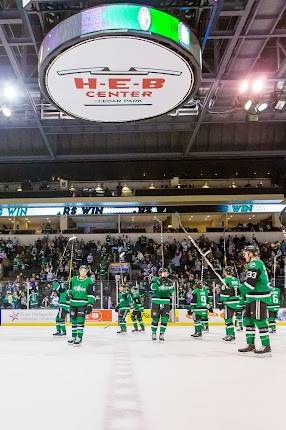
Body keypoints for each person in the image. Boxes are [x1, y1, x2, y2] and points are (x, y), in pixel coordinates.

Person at [238, 245, 272, 356]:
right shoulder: (252, 264)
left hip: (258, 297)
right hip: (251, 297)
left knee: (259, 320)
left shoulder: (255, 264)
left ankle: (266, 346)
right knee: (248, 320)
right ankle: (250, 344)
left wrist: (235, 290)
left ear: (251, 253)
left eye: (246, 252)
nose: (244, 254)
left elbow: (250, 285)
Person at [67, 265, 95, 346]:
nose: (83, 272)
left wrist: (90, 304)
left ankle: (79, 337)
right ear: (79, 271)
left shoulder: (89, 281)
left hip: (82, 303)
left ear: (87, 272)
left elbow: (91, 293)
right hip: (73, 303)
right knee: (74, 321)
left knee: (80, 320)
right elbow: (70, 290)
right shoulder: (73, 279)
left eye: (85, 271)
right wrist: (68, 294)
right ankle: (73, 336)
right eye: (82, 270)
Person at [150, 268, 175, 342]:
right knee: (155, 319)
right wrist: (158, 282)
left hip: (165, 302)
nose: (165, 273)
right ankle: (154, 333)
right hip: (156, 301)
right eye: (164, 272)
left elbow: (172, 290)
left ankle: (162, 334)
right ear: (160, 273)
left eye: (166, 272)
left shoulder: (169, 281)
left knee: (165, 319)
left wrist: (169, 285)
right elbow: (152, 288)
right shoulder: (155, 279)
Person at [220, 267, 244, 341]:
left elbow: (224, 292)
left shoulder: (225, 280)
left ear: (226, 272)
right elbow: (240, 291)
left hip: (229, 302)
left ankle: (231, 334)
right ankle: (228, 334)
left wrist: (221, 301)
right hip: (237, 301)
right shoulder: (236, 280)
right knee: (232, 318)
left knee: (228, 319)